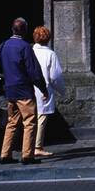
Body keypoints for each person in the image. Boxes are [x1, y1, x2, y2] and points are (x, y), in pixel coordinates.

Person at [0, 17, 48, 165]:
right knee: (29, 122)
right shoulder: (25, 47)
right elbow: (34, 72)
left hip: (10, 90)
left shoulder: (4, 45)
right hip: (24, 90)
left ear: (12, 29)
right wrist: (43, 89)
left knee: (12, 123)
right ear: (24, 30)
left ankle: (5, 154)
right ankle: (27, 155)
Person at [30, 26, 64, 158]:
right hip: (43, 89)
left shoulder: (30, 51)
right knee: (41, 118)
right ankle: (37, 146)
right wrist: (62, 90)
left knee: (28, 118)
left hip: (29, 88)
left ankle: (28, 146)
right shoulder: (50, 54)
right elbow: (55, 76)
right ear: (48, 39)